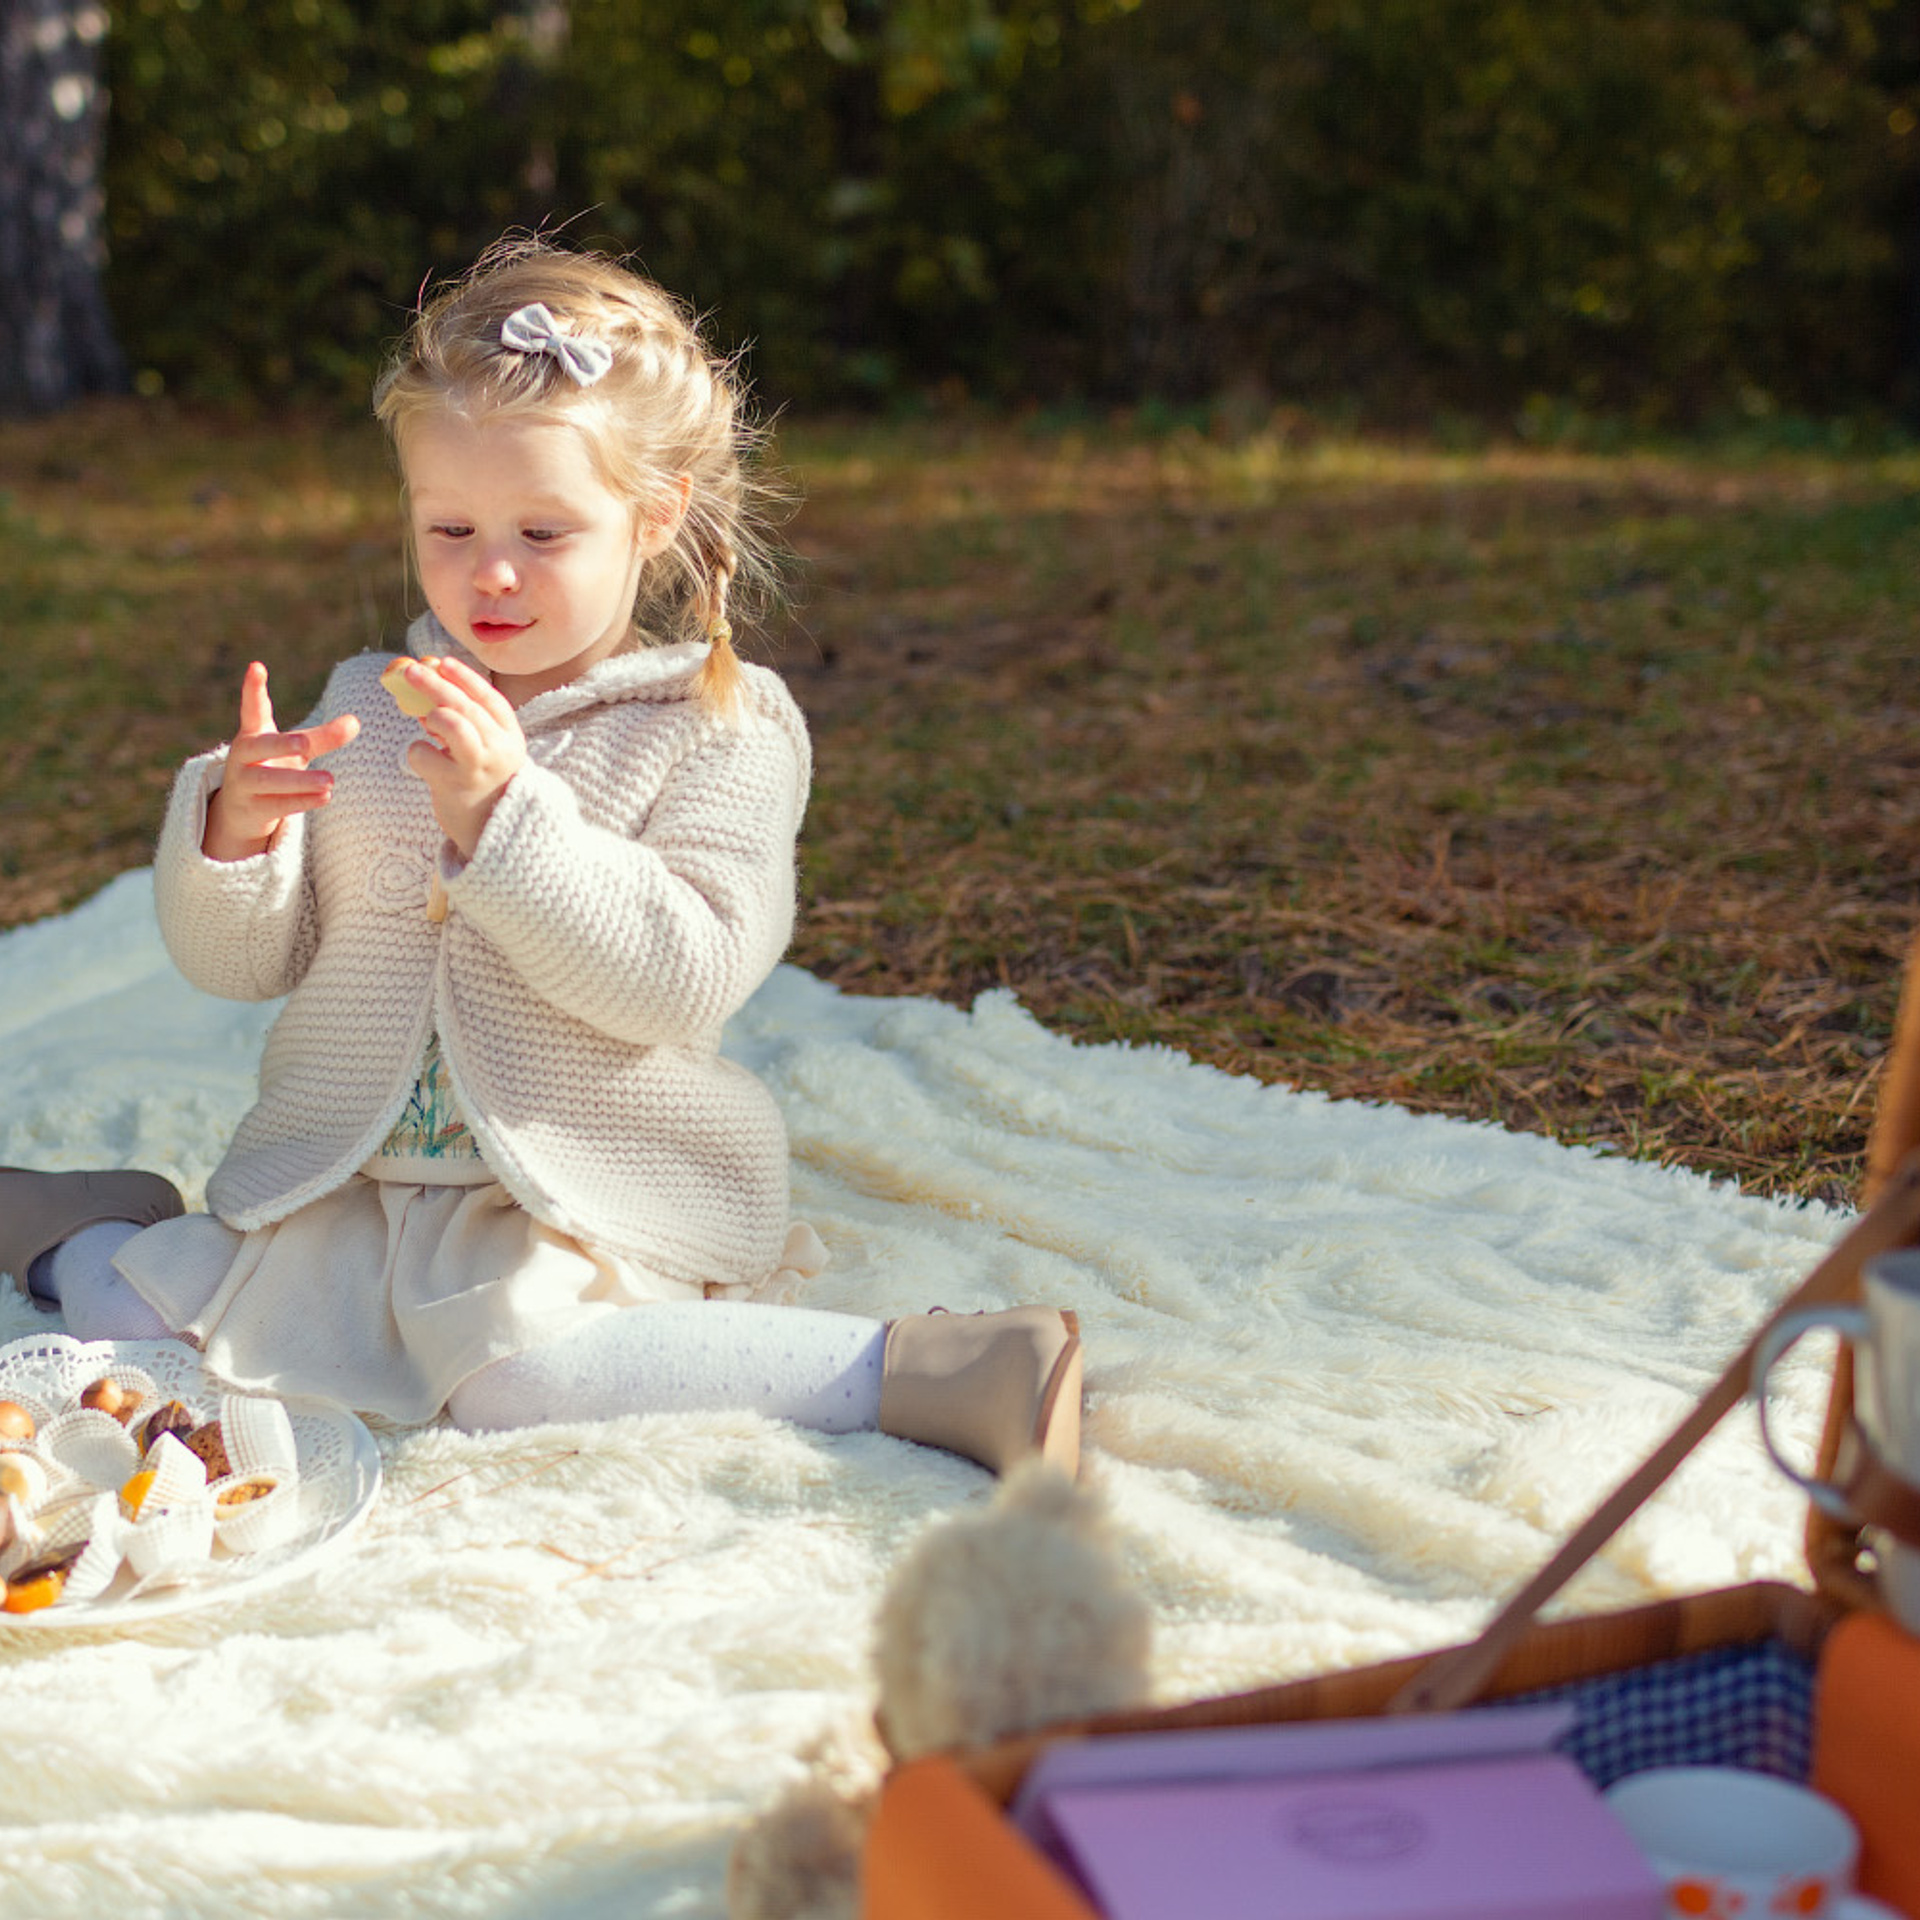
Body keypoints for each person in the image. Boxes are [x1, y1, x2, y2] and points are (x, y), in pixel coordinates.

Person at [0, 238, 1080, 1477]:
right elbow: (246, 963)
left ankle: (937, 1368)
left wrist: (508, 822)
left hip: (569, 1200)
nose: (489, 571)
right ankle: (76, 1229)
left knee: (513, 1383)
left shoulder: (715, 727)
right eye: (449, 525)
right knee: (139, 1334)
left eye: (543, 531)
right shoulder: (368, 700)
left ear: (653, 517)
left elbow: (689, 973)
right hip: (350, 1190)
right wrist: (236, 833)